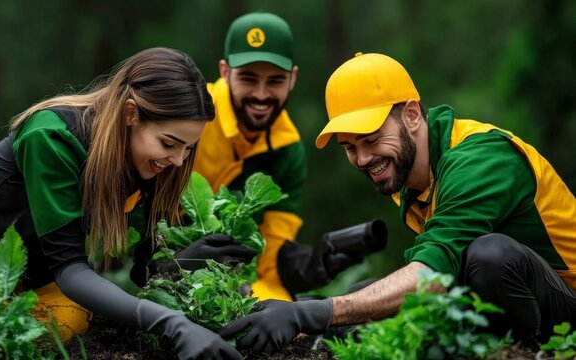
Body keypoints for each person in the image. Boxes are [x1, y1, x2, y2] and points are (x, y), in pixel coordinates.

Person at [219, 51, 576, 353]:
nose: (362, 159)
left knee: (491, 255)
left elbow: (431, 276)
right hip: (505, 304)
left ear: (411, 115)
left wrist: (310, 314)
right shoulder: (407, 173)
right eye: (349, 147)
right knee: (360, 301)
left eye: (371, 139)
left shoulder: (480, 160)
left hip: (566, 311)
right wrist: (297, 314)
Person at [0, 47, 242, 360]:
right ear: (131, 113)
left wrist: (186, 265)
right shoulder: (52, 136)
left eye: (188, 148)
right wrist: (171, 323)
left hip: (22, 274)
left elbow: (142, 271)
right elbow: (70, 268)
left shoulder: (149, 162)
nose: (178, 160)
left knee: (71, 318)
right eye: (169, 143)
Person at [188, 11, 367, 301]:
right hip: (163, 265)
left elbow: (270, 257)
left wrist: (299, 272)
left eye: (275, 81)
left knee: (282, 315)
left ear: (292, 78)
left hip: (237, 279)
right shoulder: (191, 118)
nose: (261, 94)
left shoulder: (289, 149)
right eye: (248, 79)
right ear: (224, 71)